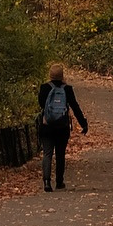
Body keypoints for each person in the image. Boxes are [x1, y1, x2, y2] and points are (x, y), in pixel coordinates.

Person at [36, 62, 89, 192]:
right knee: (60, 154)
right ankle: (59, 182)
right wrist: (83, 124)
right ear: (62, 76)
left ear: (50, 75)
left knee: (47, 153)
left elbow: (41, 104)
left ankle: (47, 182)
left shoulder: (44, 88)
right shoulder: (67, 89)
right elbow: (75, 107)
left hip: (47, 126)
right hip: (62, 126)